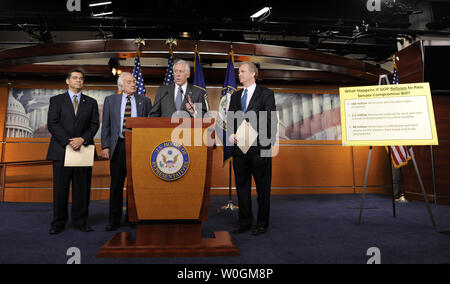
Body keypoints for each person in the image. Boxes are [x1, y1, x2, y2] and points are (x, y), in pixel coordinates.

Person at [46, 69, 100, 234]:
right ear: (67, 81)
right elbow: (52, 123)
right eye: (75, 78)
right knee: (60, 189)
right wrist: (69, 142)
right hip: (62, 150)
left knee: (82, 189)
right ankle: (58, 223)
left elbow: (94, 125)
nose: (78, 80)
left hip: (83, 149)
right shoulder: (56, 100)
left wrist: (82, 139)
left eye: (81, 78)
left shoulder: (90, 102)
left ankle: (81, 221)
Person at [227, 62, 277, 236]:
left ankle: (262, 224)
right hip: (239, 150)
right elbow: (231, 120)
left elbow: (271, 121)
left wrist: (263, 144)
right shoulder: (235, 96)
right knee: (242, 187)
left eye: (242, 71)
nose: (239, 74)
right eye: (239, 71)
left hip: (259, 149)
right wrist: (231, 134)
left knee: (263, 189)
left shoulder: (266, 94)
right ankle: (245, 222)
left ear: (252, 74)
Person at [101, 72, 152, 231]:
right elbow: (106, 126)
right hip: (119, 146)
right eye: (129, 82)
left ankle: (132, 217)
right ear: (121, 85)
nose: (133, 84)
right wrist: (105, 146)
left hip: (138, 147)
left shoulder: (145, 101)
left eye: (134, 82)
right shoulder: (110, 100)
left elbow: (149, 125)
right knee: (116, 184)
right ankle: (114, 220)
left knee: (135, 185)